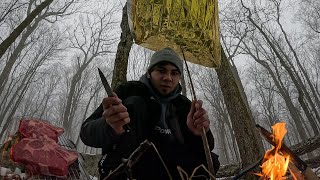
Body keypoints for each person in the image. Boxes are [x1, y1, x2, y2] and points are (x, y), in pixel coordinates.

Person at [80, 47, 220, 180]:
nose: (168, 78)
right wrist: (109, 126)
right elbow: (86, 133)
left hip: (169, 168)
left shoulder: (185, 105)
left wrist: (199, 133)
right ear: (149, 72)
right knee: (135, 104)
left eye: (174, 73)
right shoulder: (128, 90)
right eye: (161, 71)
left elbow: (206, 147)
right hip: (130, 166)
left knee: (211, 161)